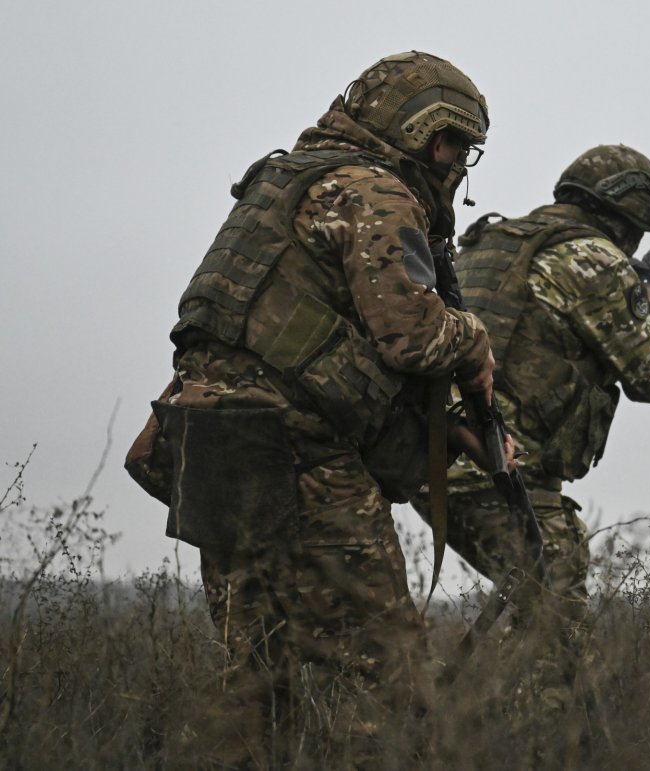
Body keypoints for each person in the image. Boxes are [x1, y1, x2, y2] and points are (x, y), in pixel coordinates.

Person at [124, 51, 494, 765]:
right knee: (387, 680)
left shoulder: (283, 180)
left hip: (209, 438)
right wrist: (474, 342)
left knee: (255, 681)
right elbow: (412, 334)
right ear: (425, 134)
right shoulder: (371, 190)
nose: (454, 163)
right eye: (455, 146)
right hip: (293, 447)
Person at [411, 144, 650, 708]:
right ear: (632, 219)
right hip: (500, 472)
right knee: (557, 644)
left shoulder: (501, 241)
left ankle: (448, 725)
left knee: (541, 615)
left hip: (435, 459)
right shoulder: (593, 260)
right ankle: (536, 744)